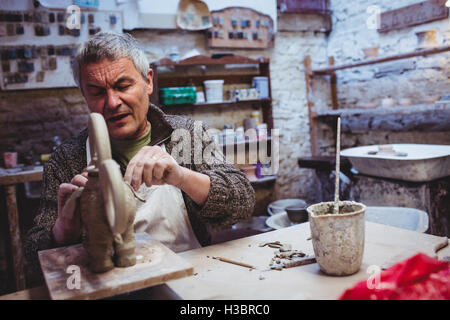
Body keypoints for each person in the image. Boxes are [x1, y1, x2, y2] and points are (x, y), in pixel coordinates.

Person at [25, 32, 255, 272]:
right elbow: (33, 256)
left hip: (187, 280)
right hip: (104, 286)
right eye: (97, 92)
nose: (112, 102)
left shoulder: (187, 135)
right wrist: (64, 230)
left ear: (148, 81)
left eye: (123, 86)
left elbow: (243, 203)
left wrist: (181, 177)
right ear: (84, 95)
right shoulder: (67, 159)